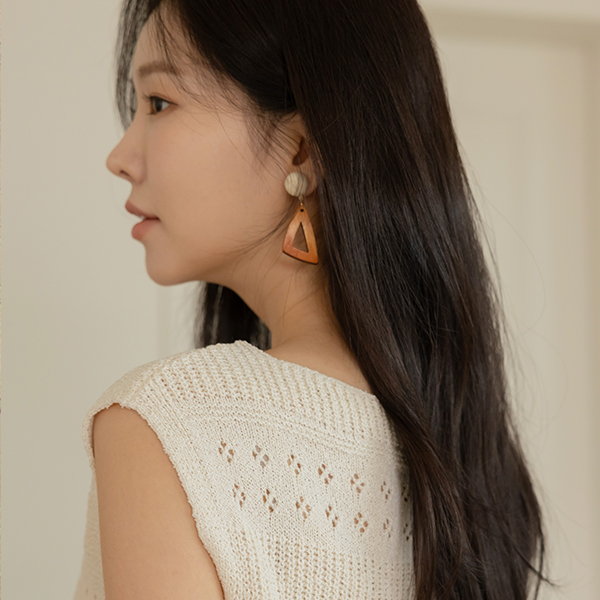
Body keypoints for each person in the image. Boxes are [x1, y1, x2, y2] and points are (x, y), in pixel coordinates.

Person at [73, 0, 556, 598]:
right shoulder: (464, 459)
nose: (119, 158)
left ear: (300, 149)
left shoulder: (169, 421)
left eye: (159, 103)